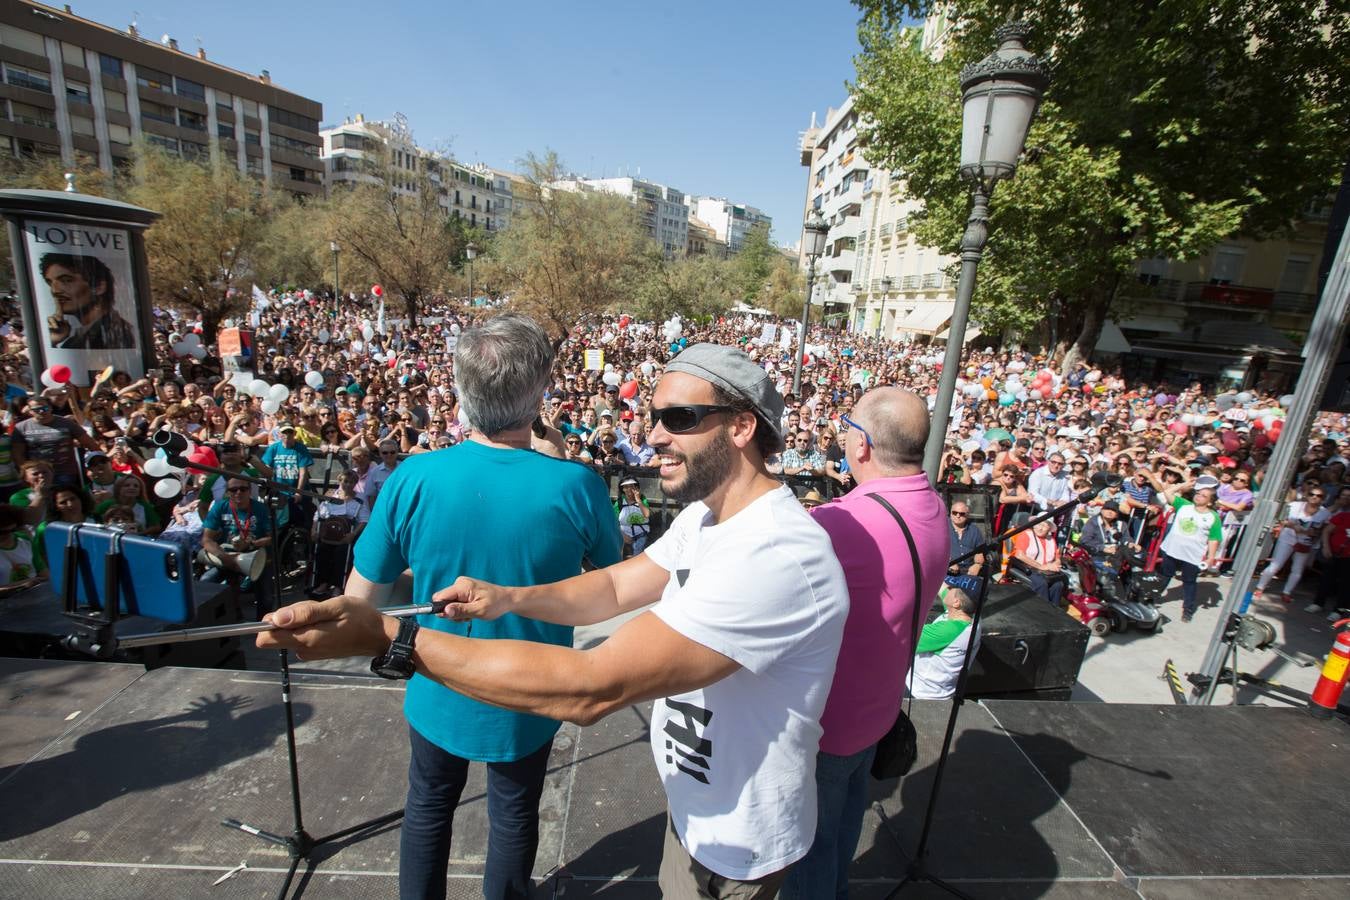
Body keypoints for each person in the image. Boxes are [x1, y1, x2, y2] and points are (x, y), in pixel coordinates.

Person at [258, 339, 850, 900]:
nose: (653, 437)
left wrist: (387, 634)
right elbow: (617, 582)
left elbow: (593, 689)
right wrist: (509, 598)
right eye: (654, 417)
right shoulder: (706, 518)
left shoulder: (775, 554)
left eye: (679, 419)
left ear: (742, 426)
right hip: (697, 810)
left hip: (738, 840)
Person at [270, 314, 624, 900]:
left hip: (435, 679)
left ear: (461, 394)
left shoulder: (415, 475)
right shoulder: (577, 486)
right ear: (539, 393)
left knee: (428, 807)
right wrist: (557, 460)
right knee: (514, 815)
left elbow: (360, 598)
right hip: (530, 691)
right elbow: (610, 577)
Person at [781, 387, 950, 900]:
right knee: (841, 835)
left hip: (828, 723)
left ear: (863, 446)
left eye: (848, 424)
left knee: (808, 849)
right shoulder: (934, 507)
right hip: (876, 713)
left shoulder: (840, 522)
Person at [40, 252, 137, 349]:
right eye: (50, 283)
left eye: (66, 280)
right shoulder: (80, 337)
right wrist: (53, 340)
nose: (54, 290)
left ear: (99, 287)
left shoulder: (116, 333)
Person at [1253, 484, 1328, 605]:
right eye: (1312, 494)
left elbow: (1324, 528)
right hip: (1287, 537)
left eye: (1319, 496)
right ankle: (1260, 587)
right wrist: (1294, 526)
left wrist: (1314, 533)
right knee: (1276, 564)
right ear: (1306, 495)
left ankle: (1287, 592)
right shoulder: (1294, 506)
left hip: (1305, 542)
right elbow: (1282, 519)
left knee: (1297, 569)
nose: (1314, 497)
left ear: (1323, 498)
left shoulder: (1325, 513)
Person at [1158, 486, 1222, 622]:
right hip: (1172, 549)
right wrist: (1185, 484)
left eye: (1203, 495)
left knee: (1189, 582)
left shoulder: (1213, 517)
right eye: (1198, 493)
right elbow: (1167, 492)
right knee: (1164, 576)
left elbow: (1214, 538)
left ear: (1210, 502)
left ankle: (1188, 610)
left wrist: (1211, 557)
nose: (1198, 496)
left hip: (1193, 555)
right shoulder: (1184, 505)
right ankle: (1152, 599)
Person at [11, 396, 102, 486]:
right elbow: (18, 454)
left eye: (45, 408)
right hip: (38, 474)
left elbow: (90, 443)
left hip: (65, 472)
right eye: (37, 409)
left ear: (50, 408)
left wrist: (100, 463)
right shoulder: (21, 427)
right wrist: (26, 473)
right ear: (30, 411)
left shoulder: (66, 423)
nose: (42, 411)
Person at [907, 587, 978, 701]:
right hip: (941, 690)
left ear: (956, 602)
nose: (949, 588)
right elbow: (943, 587)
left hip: (920, 692)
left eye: (953, 589)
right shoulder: (971, 618)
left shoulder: (949, 630)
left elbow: (903, 638)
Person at [1309, 488, 1350, 620]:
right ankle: (1318, 603)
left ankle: (1338, 610)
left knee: (1345, 584)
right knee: (1326, 579)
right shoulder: (1343, 516)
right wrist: (1326, 547)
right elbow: (1327, 531)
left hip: (1348, 558)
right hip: (1334, 553)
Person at [1011, 517, 1067, 606]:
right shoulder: (1026, 535)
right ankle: (1041, 611)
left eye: (1044, 526)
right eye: (1039, 524)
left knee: (1058, 584)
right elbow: (1019, 555)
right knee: (1042, 583)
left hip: (1045, 571)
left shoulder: (1051, 540)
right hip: (1028, 568)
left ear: (1049, 529)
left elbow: (1057, 558)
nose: (1040, 528)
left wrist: (1056, 564)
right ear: (1034, 524)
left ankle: (1054, 611)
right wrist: (1041, 566)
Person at [945, 499, 985, 595]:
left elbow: (979, 551)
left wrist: (977, 565)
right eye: (955, 513)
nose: (958, 516)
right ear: (950, 513)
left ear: (967, 515)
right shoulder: (942, 527)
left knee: (976, 592)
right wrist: (948, 562)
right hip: (947, 571)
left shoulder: (974, 530)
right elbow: (934, 550)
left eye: (961, 514)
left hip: (968, 571)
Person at [616, 475, 651, 557]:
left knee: (637, 554)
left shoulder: (642, 499)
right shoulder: (620, 502)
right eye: (626, 487)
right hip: (623, 534)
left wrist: (638, 500)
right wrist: (622, 535)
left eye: (632, 486)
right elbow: (613, 521)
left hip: (641, 534)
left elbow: (647, 514)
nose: (629, 489)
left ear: (636, 488)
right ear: (622, 489)